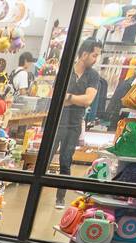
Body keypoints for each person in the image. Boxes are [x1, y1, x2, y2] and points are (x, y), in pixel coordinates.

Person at [53, 38, 102, 207]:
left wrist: (68, 97)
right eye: (94, 55)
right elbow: (55, 95)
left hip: (74, 123)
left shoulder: (93, 75)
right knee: (46, 157)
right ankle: (34, 190)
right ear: (84, 54)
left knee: (66, 161)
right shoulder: (66, 69)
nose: (95, 59)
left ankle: (60, 197)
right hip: (57, 120)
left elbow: (88, 100)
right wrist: (72, 99)